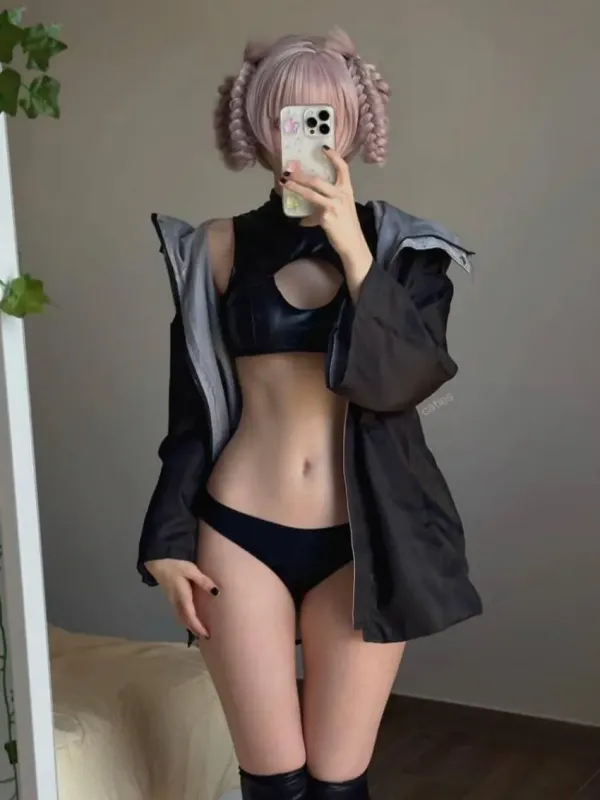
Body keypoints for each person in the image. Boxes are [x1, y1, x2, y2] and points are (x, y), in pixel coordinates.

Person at [138, 28, 482, 800]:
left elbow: (405, 380)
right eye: (288, 115)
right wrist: (164, 540)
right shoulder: (216, 247)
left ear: (355, 122)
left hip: (363, 537)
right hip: (237, 531)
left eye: (323, 116)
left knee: (336, 783)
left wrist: (353, 249)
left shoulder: (406, 250)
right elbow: (191, 414)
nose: (305, 133)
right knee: (273, 783)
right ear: (259, 127)